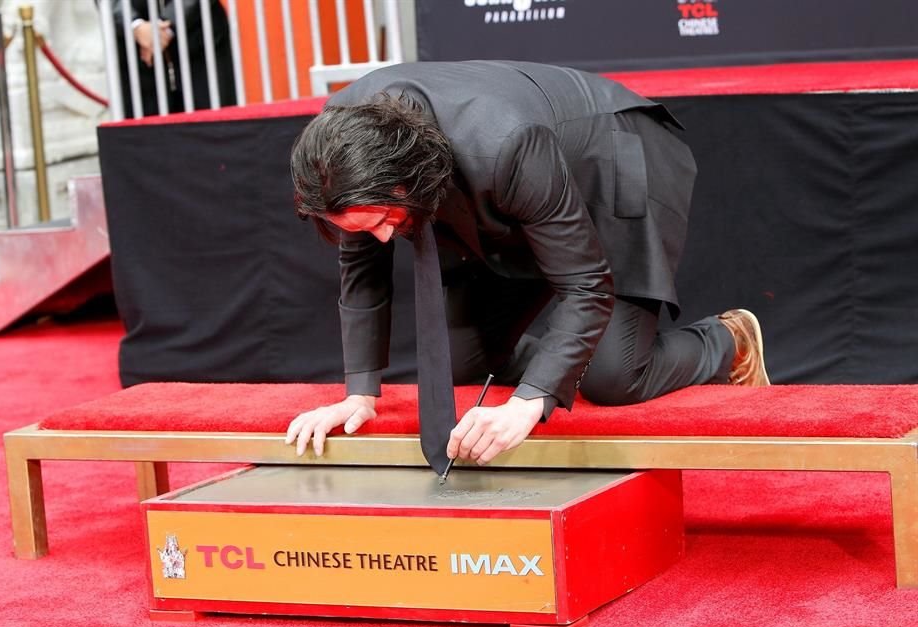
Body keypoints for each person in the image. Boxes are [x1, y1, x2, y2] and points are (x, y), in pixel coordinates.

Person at [285, 60, 769, 465]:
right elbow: (363, 272)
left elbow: (585, 286)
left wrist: (530, 400)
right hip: (508, 191)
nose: (385, 236)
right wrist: (359, 394)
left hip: (611, 158)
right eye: (365, 226)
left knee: (613, 378)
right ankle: (566, 361)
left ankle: (728, 340)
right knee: (456, 362)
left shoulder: (505, 142)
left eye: (388, 217)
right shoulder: (340, 155)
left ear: (405, 180)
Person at [110, 0, 236, 116]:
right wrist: (135, 25)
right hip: (136, 59)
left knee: (213, 129)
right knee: (146, 134)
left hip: (200, 43)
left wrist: (164, 28)